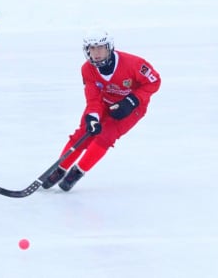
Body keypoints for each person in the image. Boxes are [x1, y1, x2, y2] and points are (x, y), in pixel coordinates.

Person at [42, 30, 161, 192]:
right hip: (104, 102)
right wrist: (93, 117)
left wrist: (132, 101)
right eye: (92, 48)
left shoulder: (134, 64)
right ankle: (60, 169)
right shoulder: (87, 69)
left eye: (100, 48)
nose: (96, 53)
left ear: (109, 48)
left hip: (132, 107)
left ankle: (77, 172)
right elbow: (94, 99)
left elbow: (154, 82)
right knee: (83, 133)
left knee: (106, 135)